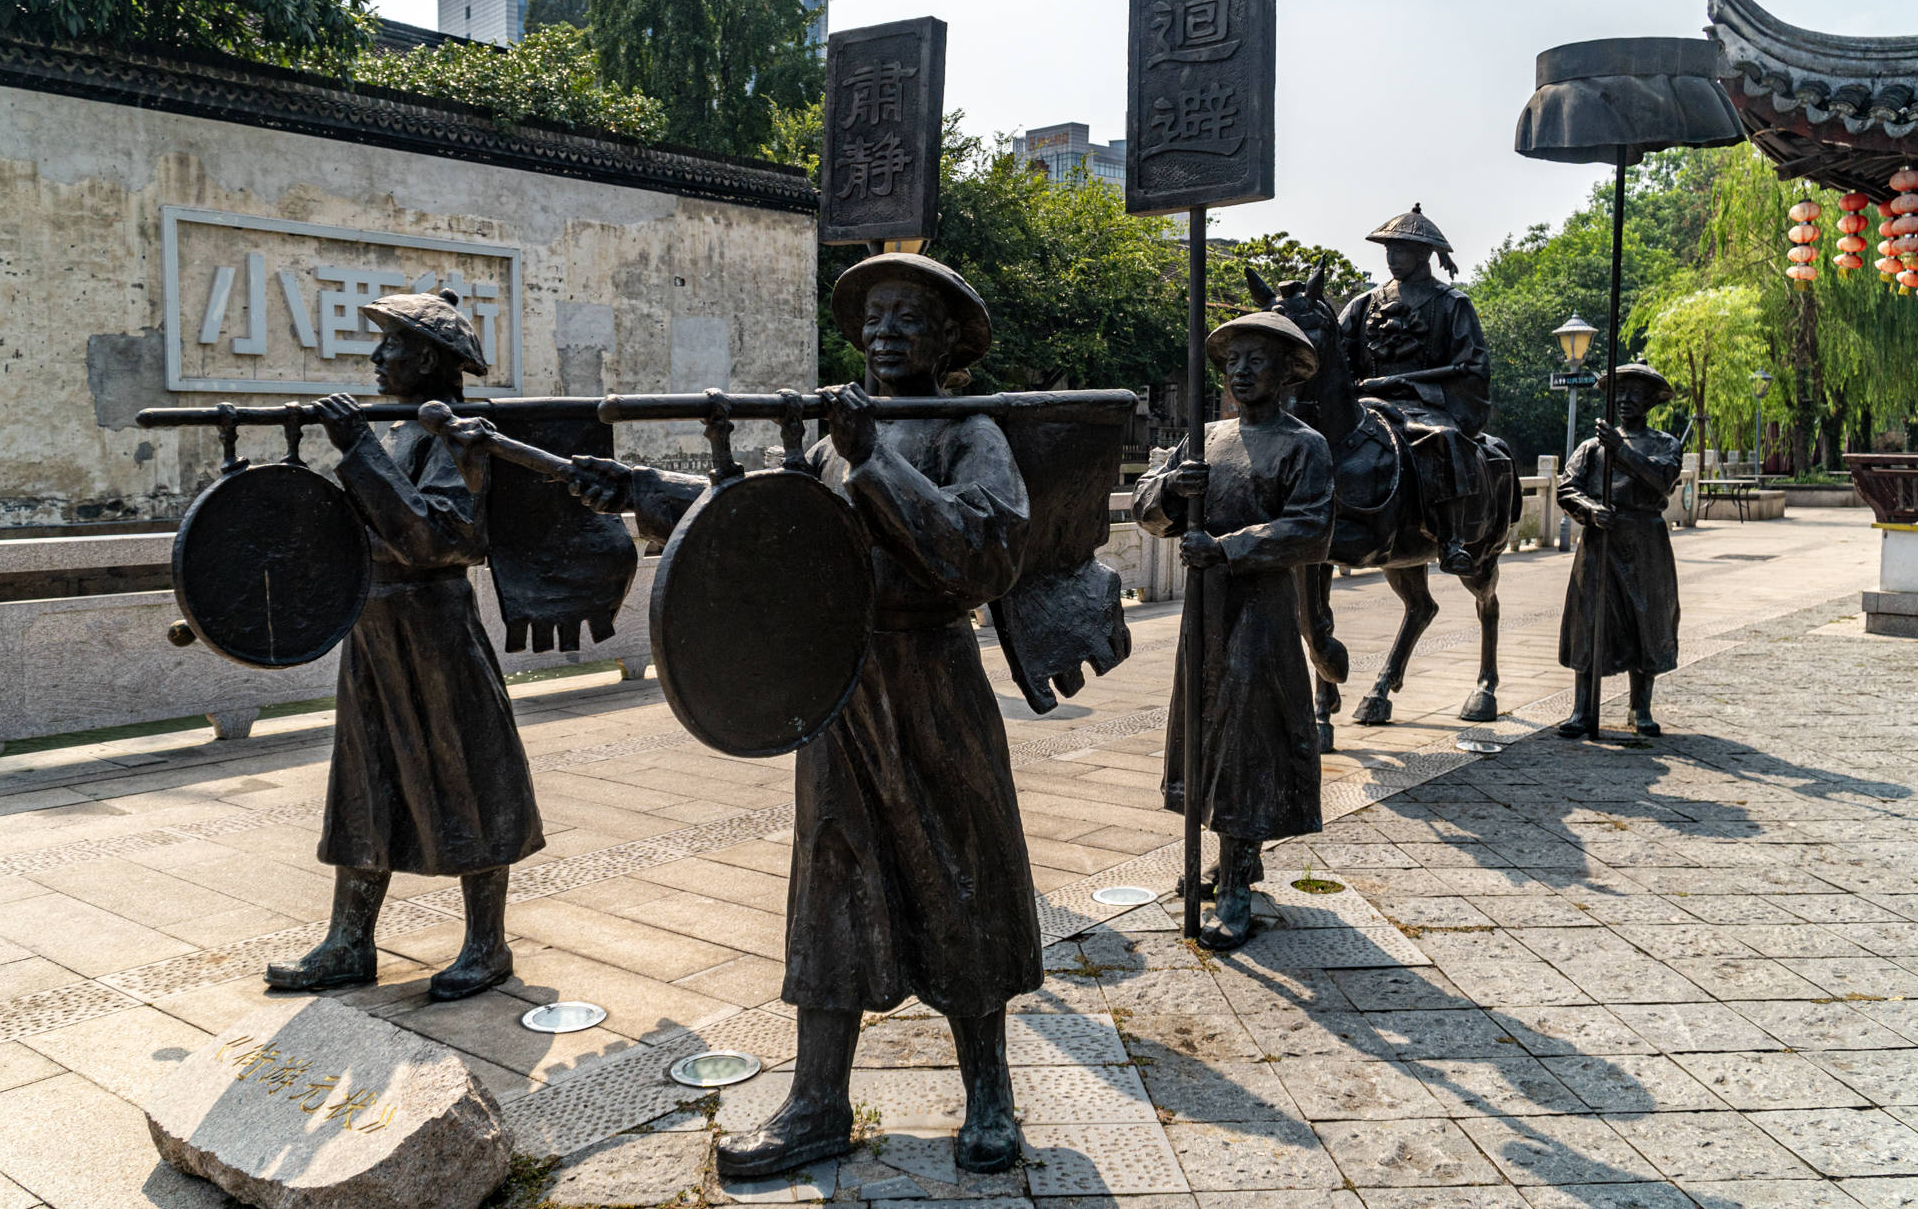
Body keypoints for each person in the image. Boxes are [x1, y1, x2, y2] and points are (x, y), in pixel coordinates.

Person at [569, 255, 1039, 1178]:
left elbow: (982, 556)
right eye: (875, 316)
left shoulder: (966, 432)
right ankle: (818, 1099)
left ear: (949, 342)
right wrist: (643, 492)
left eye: (909, 316)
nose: (886, 330)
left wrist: (875, 460)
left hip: (933, 687)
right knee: (831, 881)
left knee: (960, 875)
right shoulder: (828, 437)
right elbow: (765, 524)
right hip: (837, 687)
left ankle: (989, 1089)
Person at [265, 289, 543, 1002]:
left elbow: (439, 538)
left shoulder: (453, 434)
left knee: (468, 773)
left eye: (392, 343)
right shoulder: (391, 432)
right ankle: (349, 940)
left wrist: (358, 449)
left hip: (435, 631)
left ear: (428, 358)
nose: (377, 356)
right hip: (373, 627)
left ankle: (488, 942)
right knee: (363, 782)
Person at [1132, 310, 1335, 949]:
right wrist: (1170, 486)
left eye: (1258, 360)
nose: (1242, 371)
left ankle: (1240, 876)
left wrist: (1230, 547)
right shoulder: (1203, 437)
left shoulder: (1305, 445)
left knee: (1249, 731)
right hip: (1205, 606)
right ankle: (1223, 850)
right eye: (1233, 361)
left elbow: (1311, 528)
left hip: (1262, 607)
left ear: (1287, 373)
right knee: (1202, 724)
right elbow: (1146, 507)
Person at [1335, 205, 1492, 575]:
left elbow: (1474, 365)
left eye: (1401, 250)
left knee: (1446, 438)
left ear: (1424, 254)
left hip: (1426, 404)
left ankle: (1450, 540)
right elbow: (1336, 352)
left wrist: (1411, 382)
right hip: (1366, 402)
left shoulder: (1452, 304)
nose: (1392, 258)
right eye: (1388, 250)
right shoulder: (1364, 303)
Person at [1554, 362, 1683, 738]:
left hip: (1645, 541)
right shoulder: (1591, 448)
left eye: (1635, 395)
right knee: (1590, 621)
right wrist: (1591, 510)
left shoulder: (1664, 444)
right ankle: (1582, 708)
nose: (1626, 401)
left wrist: (1621, 450)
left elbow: (1662, 479)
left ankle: (1640, 706)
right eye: (1620, 394)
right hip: (1600, 540)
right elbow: (1567, 488)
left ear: (1649, 402)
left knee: (1647, 620)